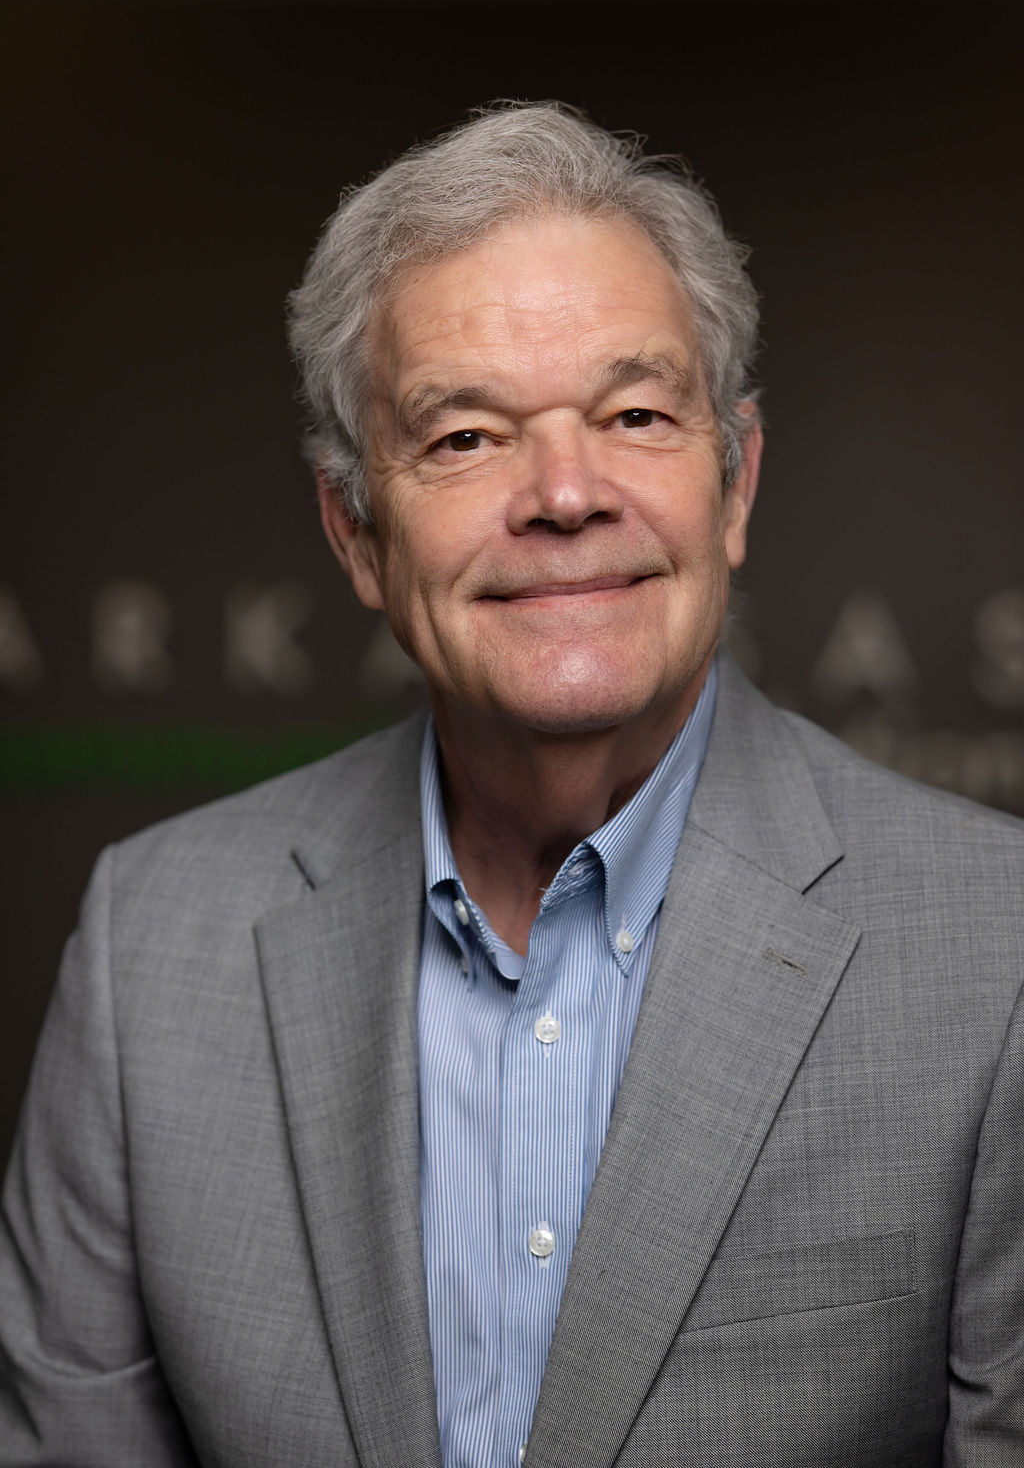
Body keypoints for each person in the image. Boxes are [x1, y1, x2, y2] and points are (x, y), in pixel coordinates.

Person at [1, 102, 1022, 1467]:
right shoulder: (151, 947)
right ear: (355, 533)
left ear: (734, 487)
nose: (565, 492)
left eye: (636, 413)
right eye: (466, 437)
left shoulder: (998, 954)